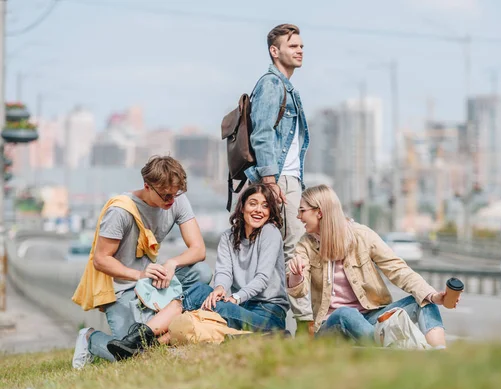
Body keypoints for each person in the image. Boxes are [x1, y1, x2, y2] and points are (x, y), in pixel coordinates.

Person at [106, 183, 290, 360]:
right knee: (199, 311)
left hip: (268, 314)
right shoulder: (229, 236)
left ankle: (137, 339)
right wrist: (219, 288)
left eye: (265, 206)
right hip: (240, 308)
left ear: (270, 212)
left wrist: (235, 298)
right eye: (253, 203)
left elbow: (262, 278)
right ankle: (143, 351)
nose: (259, 210)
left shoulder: (270, 232)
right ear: (242, 208)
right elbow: (224, 272)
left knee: (200, 293)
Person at [71, 156, 212, 368]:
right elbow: (100, 260)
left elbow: (199, 249)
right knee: (132, 353)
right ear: (147, 186)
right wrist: (139, 274)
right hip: (121, 287)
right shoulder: (120, 211)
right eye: (166, 195)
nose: (171, 200)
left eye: (176, 194)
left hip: (151, 282)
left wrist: (172, 263)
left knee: (201, 272)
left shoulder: (176, 198)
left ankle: (174, 323)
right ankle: (89, 338)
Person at [287, 185, 459, 347]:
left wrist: (432, 295)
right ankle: (392, 347)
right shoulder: (305, 245)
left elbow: (398, 269)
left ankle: (438, 353)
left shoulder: (362, 236)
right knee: (345, 313)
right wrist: (297, 275)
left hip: (370, 318)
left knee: (423, 300)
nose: (298, 216)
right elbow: (298, 291)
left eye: (302, 211)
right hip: (330, 325)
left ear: (319, 212)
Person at [246, 23, 313, 330]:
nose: (300, 50)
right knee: (293, 249)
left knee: (278, 251)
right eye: (293, 46)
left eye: (301, 46)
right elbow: (261, 134)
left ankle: (271, 323)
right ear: (275, 51)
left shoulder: (287, 87)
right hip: (279, 181)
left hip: (288, 179)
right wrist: (271, 182)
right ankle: (305, 324)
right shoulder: (272, 85)